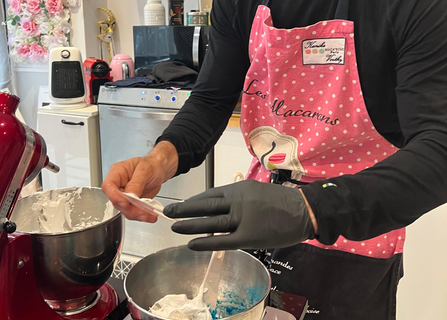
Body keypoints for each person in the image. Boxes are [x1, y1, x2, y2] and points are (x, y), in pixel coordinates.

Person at [102, 0, 447, 319]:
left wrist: (307, 208)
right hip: (262, 210)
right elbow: (210, 99)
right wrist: (161, 158)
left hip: (355, 219)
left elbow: (439, 148)